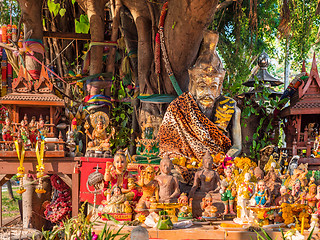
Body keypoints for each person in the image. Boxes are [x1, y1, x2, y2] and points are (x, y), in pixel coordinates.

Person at [158, 30, 241, 161]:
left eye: (213, 87)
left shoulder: (229, 108)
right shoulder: (179, 108)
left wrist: (223, 160)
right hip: (186, 161)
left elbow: (237, 146)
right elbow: (168, 146)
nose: (208, 92)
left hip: (219, 162)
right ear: (193, 84)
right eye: (202, 86)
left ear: (219, 88)